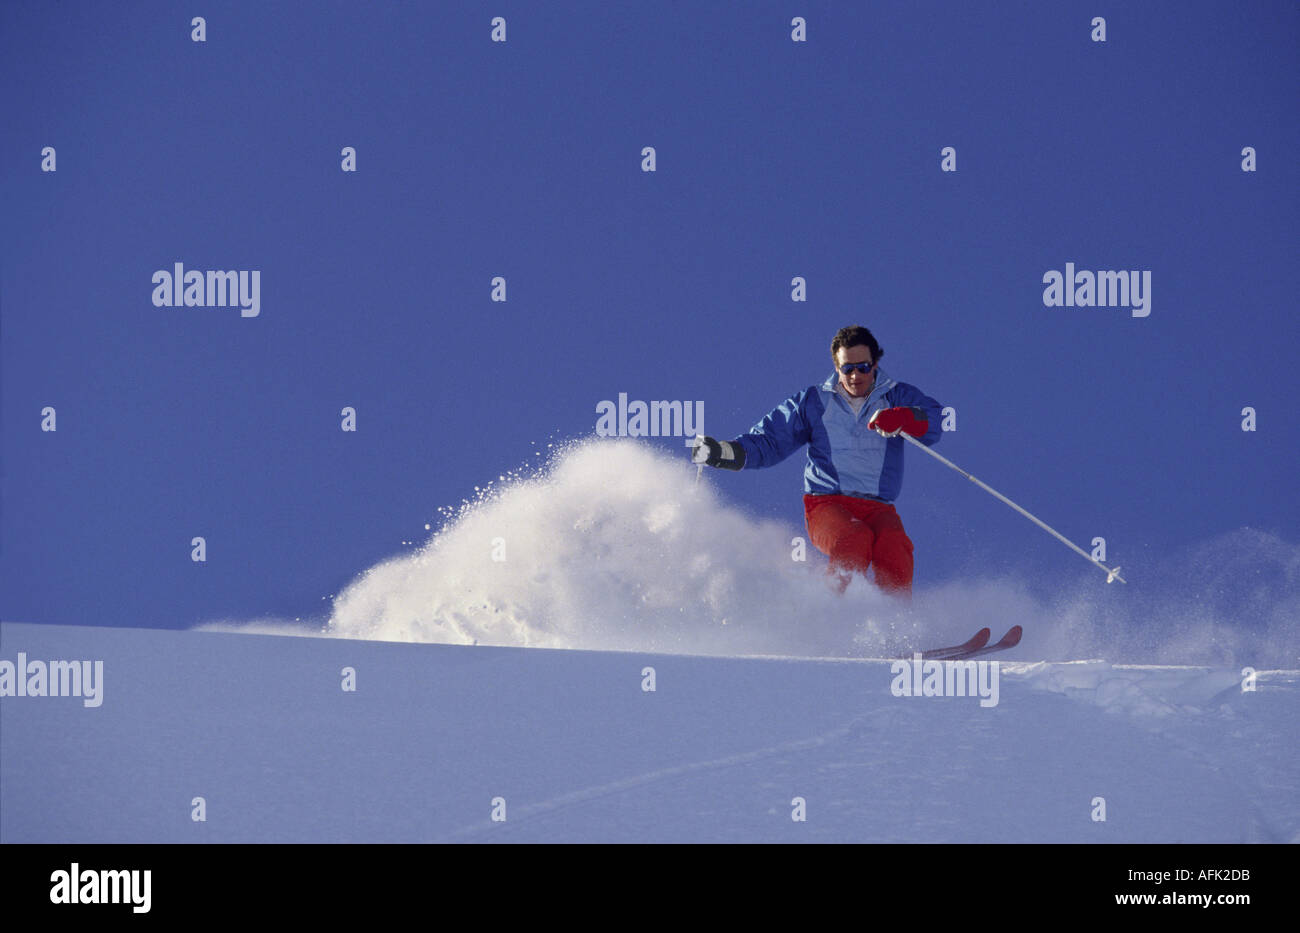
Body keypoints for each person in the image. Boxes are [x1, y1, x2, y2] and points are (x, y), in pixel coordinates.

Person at [692, 325, 943, 595]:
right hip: (827, 504)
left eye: (863, 367)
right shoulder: (814, 401)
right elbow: (771, 440)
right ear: (837, 367)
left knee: (894, 543)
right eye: (848, 369)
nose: (856, 375)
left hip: (879, 507)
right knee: (855, 538)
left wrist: (903, 417)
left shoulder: (896, 396)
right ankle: (837, 612)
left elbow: (935, 419)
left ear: (875, 364)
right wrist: (724, 452)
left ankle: (897, 625)